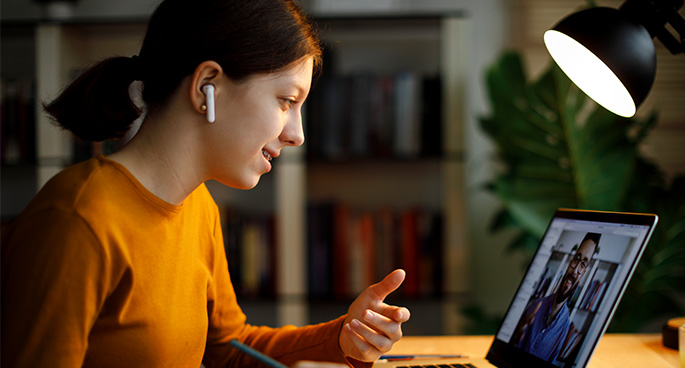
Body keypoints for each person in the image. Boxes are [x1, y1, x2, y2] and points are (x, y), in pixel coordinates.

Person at [0, 0, 411, 367]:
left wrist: (343, 339)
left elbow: (230, 350)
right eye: (286, 101)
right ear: (206, 86)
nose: (297, 134)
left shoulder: (197, 206)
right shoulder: (77, 221)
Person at [510, 232, 601, 363]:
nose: (575, 271)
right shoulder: (535, 305)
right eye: (576, 259)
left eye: (583, 264)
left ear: (584, 273)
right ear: (570, 261)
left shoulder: (564, 327)